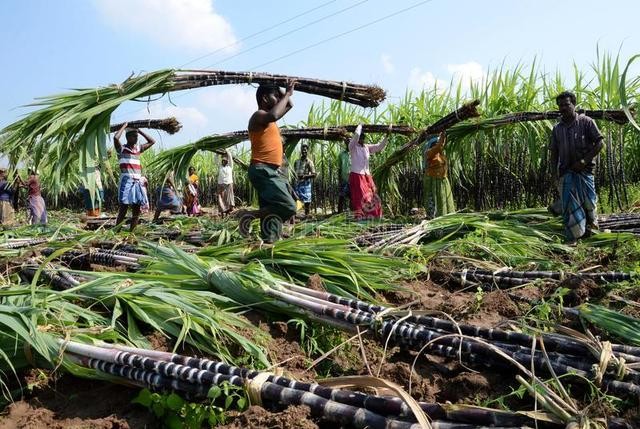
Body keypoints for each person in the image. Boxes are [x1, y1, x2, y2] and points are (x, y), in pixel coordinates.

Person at [550, 91, 604, 245]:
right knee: (569, 207)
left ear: (573, 104)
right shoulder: (557, 129)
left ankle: (591, 231)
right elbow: (554, 152)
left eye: (566, 104)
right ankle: (572, 237)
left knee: (589, 203)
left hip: (585, 172)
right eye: (560, 105)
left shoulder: (586, 122)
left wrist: (583, 161)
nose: (563, 108)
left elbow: (600, 143)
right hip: (566, 173)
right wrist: (554, 173)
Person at [246, 81, 297, 242]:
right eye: (274, 95)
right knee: (288, 206)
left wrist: (282, 88)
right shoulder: (259, 116)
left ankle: (270, 241)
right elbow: (274, 114)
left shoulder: (270, 119)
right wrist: (287, 92)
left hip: (271, 171)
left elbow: (289, 105)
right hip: (262, 170)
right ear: (264, 98)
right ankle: (248, 215)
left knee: (271, 209)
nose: (278, 97)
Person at [113, 123, 156, 232]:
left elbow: (152, 141)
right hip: (126, 181)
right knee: (124, 207)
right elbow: (115, 137)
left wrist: (139, 130)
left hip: (137, 182)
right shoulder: (121, 149)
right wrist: (124, 126)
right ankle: (117, 231)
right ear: (127, 137)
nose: (136, 138)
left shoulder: (138, 149)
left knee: (136, 208)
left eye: (137, 137)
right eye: (134, 136)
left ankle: (132, 232)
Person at [349, 124, 390, 219]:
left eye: (363, 137)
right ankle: (362, 218)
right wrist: (360, 126)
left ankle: (374, 217)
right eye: (361, 137)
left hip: (367, 176)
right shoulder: (352, 147)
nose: (362, 139)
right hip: (357, 176)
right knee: (362, 198)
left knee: (373, 196)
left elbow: (379, 147)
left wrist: (387, 136)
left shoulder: (366, 148)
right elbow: (355, 137)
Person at [422, 132, 455, 218]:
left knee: (444, 202)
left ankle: (446, 218)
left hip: (442, 181)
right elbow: (438, 146)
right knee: (436, 202)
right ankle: (434, 219)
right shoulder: (429, 153)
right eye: (435, 144)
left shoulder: (440, 154)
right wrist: (441, 138)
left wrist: (444, 137)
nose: (439, 145)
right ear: (431, 145)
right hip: (434, 182)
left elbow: (441, 146)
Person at [293, 142, 316, 217]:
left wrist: (304, 176)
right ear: (301, 151)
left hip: (305, 183)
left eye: (305, 150)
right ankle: (294, 216)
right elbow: (294, 172)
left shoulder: (309, 162)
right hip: (297, 183)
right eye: (303, 150)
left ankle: (307, 215)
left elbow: (314, 174)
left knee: (307, 201)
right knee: (296, 199)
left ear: (307, 151)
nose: (304, 151)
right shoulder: (296, 162)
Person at [217, 149, 235, 216]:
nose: (223, 162)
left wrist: (227, 151)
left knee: (228, 199)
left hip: (228, 184)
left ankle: (227, 212)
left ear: (227, 162)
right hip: (221, 184)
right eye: (222, 161)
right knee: (221, 198)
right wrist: (217, 153)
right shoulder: (220, 167)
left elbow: (230, 158)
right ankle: (222, 213)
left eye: (225, 161)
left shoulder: (230, 167)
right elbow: (215, 160)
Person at [337, 137, 351, 213]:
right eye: (347, 141)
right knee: (341, 197)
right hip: (344, 179)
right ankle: (339, 214)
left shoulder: (355, 152)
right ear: (345, 143)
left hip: (354, 180)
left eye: (350, 141)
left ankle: (353, 214)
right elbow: (339, 168)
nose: (348, 142)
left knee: (353, 197)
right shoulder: (341, 154)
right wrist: (339, 180)